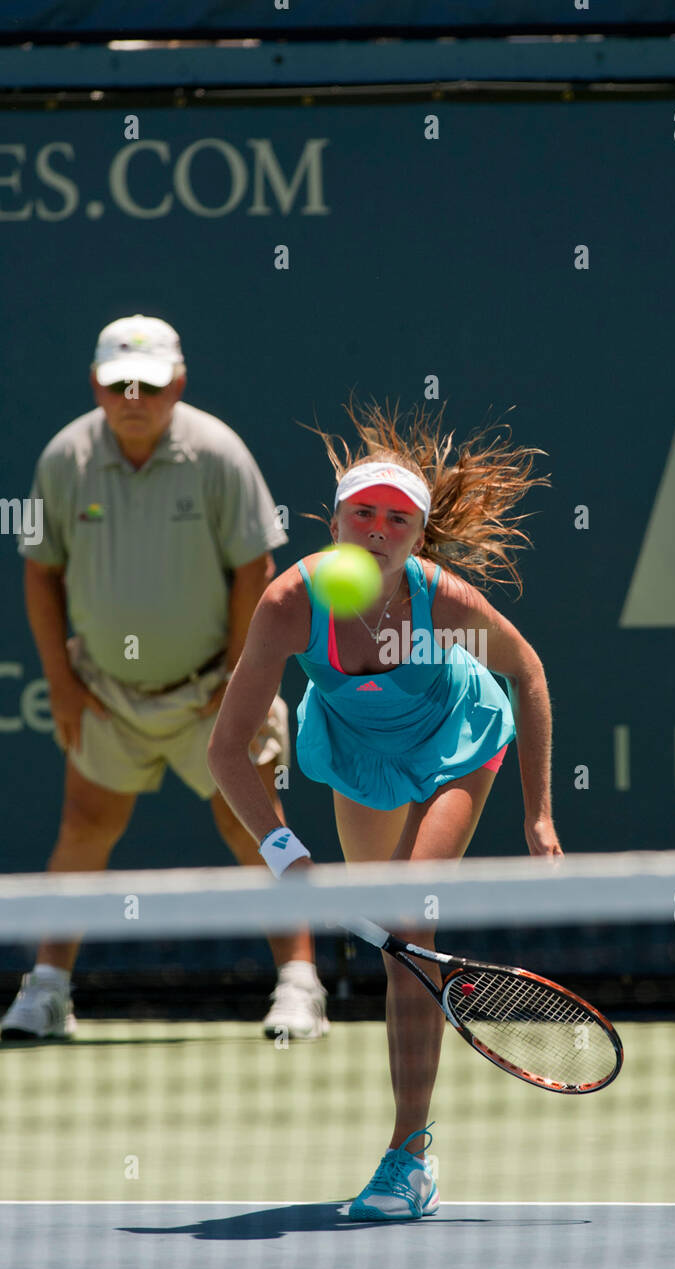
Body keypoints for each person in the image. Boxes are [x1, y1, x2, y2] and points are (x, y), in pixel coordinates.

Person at [208, 398, 563, 1221]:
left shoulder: (446, 606)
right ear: (335, 521)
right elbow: (227, 748)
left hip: (454, 743)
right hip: (361, 758)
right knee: (397, 951)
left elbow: (530, 672)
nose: (376, 527)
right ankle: (412, 1145)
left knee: (410, 925)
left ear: (416, 535)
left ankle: (408, 1157)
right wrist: (282, 850)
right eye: (361, 512)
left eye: (396, 518)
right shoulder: (291, 606)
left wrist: (537, 814)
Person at [2, 314, 328, 1043]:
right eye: (118, 383)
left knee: (253, 829)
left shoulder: (218, 454)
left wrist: (241, 683)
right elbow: (40, 572)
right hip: (109, 694)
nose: (132, 397)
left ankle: (300, 985)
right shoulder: (64, 459)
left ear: (177, 383)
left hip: (216, 686)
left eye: (148, 385)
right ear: (96, 383)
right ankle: (49, 988)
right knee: (85, 828)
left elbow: (255, 571)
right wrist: (61, 680)